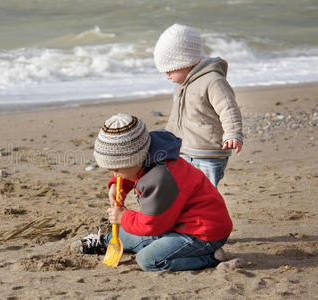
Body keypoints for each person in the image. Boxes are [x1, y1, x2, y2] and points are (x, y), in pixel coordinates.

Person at [71, 113, 233, 272]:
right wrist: (117, 185)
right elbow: (133, 170)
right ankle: (105, 242)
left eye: (116, 170)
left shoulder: (161, 179)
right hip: (176, 222)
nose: (115, 174)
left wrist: (123, 217)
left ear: (134, 159)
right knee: (126, 233)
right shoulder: (150, 153)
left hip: (202, 233)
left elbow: (153, 225)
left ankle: (211, 258)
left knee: (147, 259)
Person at [153, 23, 244, 187]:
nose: (167, 76)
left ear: (186, 62)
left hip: (208, 152)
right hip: (186, 151)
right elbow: (176, 119)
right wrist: (166, 139)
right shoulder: (181, 86)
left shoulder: (213, 81)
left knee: (205, 192)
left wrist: (233, 134)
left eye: (169, 70)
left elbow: (228, 108)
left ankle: (208, 213)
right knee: (186, 191)